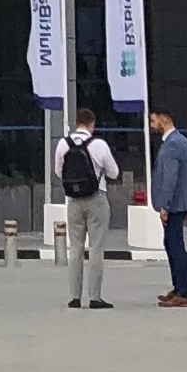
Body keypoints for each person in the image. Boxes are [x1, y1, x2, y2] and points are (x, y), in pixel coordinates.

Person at [58, 106, 117, 310]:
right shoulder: (98, 144)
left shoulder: (62, 144)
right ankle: (94, 297)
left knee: (75, 247)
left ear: (76, 123)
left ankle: (75, 297)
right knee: (96, 247)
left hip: (73, 200)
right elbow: (114, 172)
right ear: (92, 124)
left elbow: (59, 172)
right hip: (96, 198)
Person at [151, 106, 187, 308]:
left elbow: (171, 178)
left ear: (164, 119)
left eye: (153, 121)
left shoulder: (171, 145)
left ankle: (182, 291)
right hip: (182, 203)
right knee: (172, 244)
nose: (152, 126)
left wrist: (165, 205)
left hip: (173, 205)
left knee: (175, 246)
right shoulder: (184, 142)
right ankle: (178, 287)